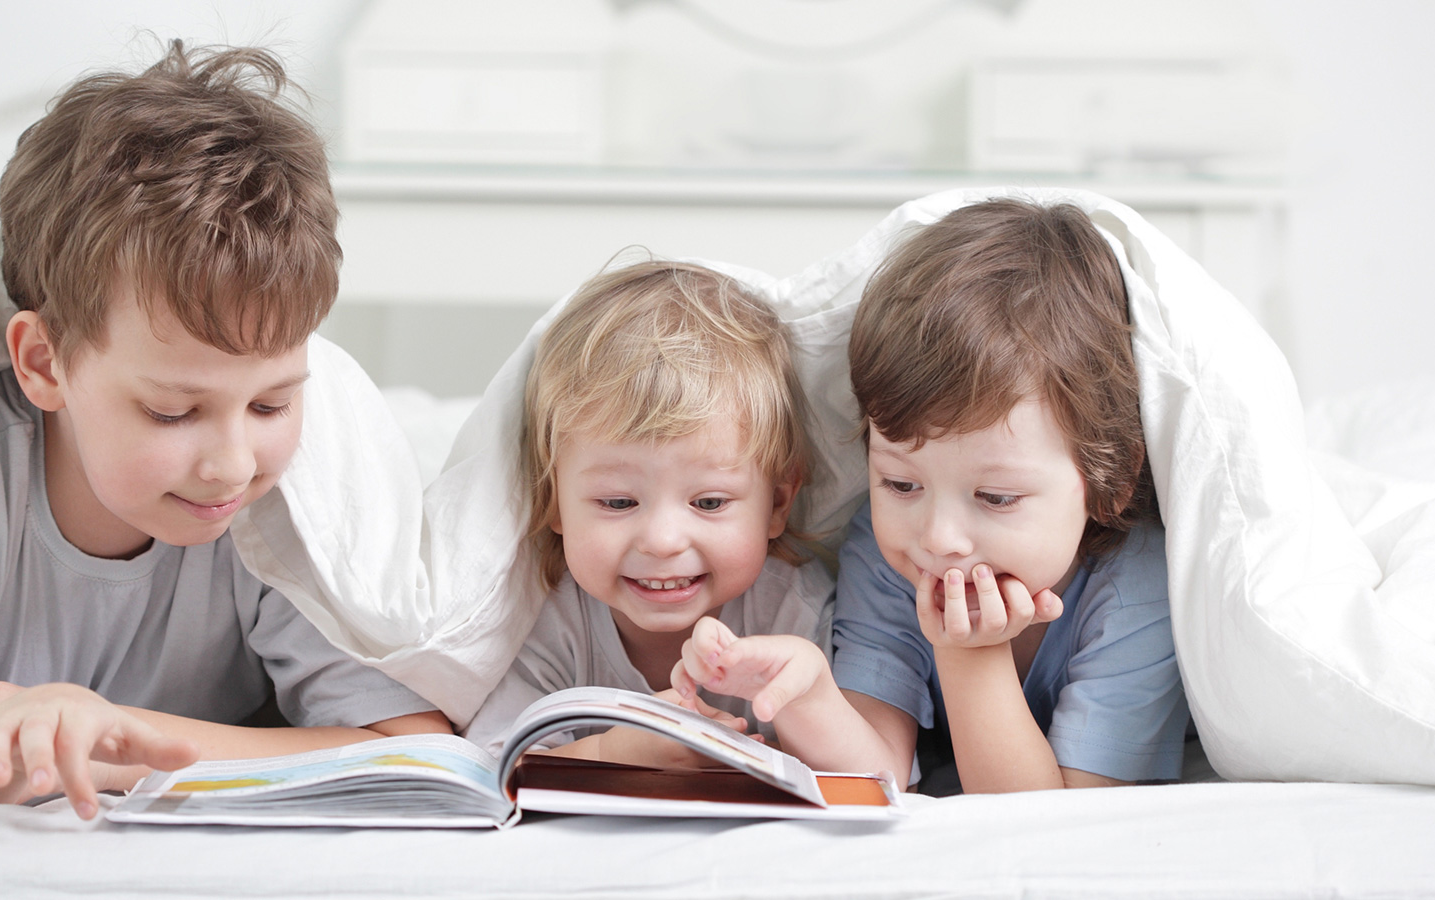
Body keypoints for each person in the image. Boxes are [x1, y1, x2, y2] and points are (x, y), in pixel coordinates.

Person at [0, 42, 448, 820]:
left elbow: (418, 750)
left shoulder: (277, 502)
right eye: (172, 412)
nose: (233, 465)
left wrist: (112, 734)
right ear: (44, 363)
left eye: (272, 404)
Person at [673, 198, 1189, 793]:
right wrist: (810, 690)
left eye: (995, 497)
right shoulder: (888, 553)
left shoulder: (1137, 586)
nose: (938, 537)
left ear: (1111, 482)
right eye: (900, 483)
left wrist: (972, 655)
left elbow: (1053, 825)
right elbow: (876, 776)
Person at [462, 259, 833, 764]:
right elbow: (494, 764)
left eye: (708, 502)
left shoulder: (797, 613)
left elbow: (869, 772)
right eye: (618, 502)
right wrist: (617, 752)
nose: (662, 541)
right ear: (553, 501)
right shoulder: (546, 616)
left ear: (777, 504)